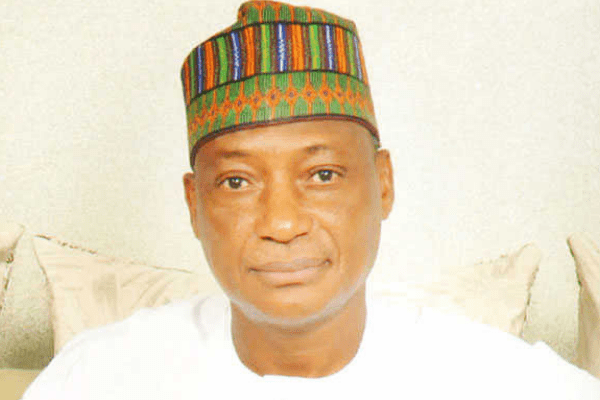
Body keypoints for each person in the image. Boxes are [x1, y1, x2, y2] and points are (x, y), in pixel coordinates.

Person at [22, 1, 600, 399]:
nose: (281, 223)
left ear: (383, 184)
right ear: (194, 205)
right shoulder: (95, 379)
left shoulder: (509, 383)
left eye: (322, 174)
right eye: (237, 182)